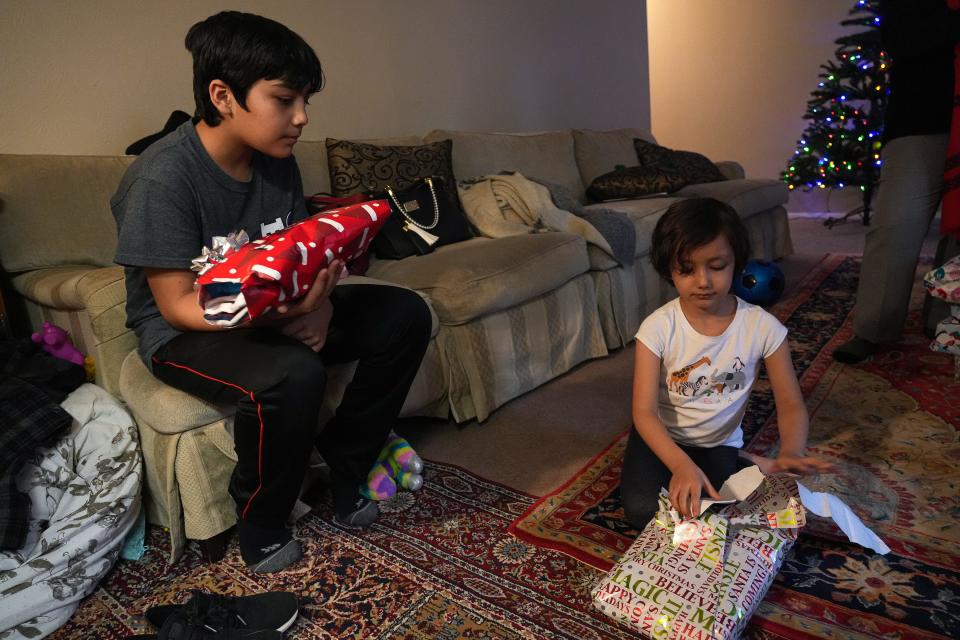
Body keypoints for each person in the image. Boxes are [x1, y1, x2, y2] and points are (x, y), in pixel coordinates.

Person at [111, 11, 432, 573]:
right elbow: (178, 305)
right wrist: (286, 318)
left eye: (304, 100)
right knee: (292, 372)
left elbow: (296, 258)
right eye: (284, 99)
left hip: (272, 309)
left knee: (405, 313)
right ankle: (261, 518)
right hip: (185, 332)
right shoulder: (162, 178)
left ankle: (348, 459)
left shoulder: (277, 165)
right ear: (223, 95)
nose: (301, 117)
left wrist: (323, 304)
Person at [619, 198, 833, 528]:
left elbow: (790, 403)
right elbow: (644, 412)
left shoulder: (763, 328)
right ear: (668, 269)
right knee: (642, 511)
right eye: (687, 269)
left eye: (716, 266)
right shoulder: (657, 327)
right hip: (662, 437)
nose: (703, 281)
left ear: (737, 263)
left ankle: (742, 459)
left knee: (711, 509)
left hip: (717, 443)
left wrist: (791, 450)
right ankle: (741, 463)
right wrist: (679, 465)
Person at [833, 0, 960, 363]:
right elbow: (901, 39)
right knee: (895, 223)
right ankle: (873, 328)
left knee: (959, 230)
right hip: (920, 121)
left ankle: (945, 319)